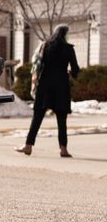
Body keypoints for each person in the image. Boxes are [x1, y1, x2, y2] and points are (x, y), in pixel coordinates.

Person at [16, 24, 81, 157]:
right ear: (65, 34)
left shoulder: (45, 46)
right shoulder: (69, 49)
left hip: (45, 86)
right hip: (61, 87)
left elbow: (38, 65)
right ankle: (63, 149)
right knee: (62, 119)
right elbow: (75, 71)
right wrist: (69, 72)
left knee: (37, 117)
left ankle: (28, 146)